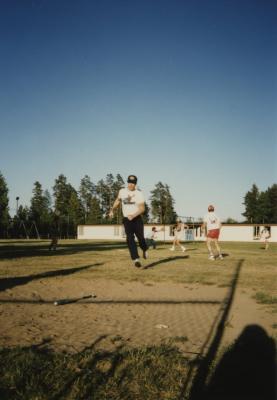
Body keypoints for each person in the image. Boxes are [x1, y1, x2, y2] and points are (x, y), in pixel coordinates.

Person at [109, 175, 148, 268]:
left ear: (135, 184)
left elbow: (142, 209)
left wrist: (133, 215)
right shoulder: (122, 191)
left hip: (137, 218)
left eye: (133, 183)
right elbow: (118, 201)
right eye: (129, 183)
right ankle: (136, 259)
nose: (131, 185)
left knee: (141, 238)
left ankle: (145, 249)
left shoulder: (139, 194)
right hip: (127, 219)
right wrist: (112, 210)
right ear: (127, 182)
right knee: (129, 238)